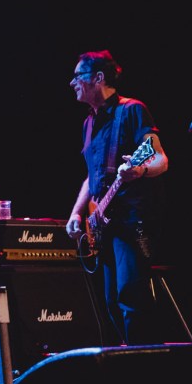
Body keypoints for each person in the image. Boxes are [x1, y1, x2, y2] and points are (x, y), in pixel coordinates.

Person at [64, 50, 167, 346]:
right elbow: (92, 177)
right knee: (111, 301)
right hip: (105, 223)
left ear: (98, 78)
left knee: (130, 296)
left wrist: (140, 170)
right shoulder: (88, 124)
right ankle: (131, 357)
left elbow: (160, 158)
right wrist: (77, 212)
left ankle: (144, 365)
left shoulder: (132, 110)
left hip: (134, 220)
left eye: (78, 76)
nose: (72, 82)